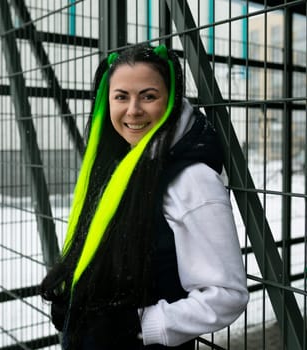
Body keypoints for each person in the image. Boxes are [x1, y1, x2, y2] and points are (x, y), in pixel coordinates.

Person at [40, 44, 248, 350]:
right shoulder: (119, 164)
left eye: (148, 96)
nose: (133, 110)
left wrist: (139, 325)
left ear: (171, 100)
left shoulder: (192, 180)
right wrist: (75, 302)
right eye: (121, 97)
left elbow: (227, 295)